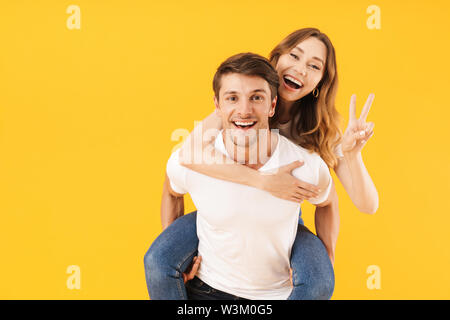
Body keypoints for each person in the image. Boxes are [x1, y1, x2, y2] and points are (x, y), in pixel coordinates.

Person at [144, 27, 378, 300]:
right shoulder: (244, 100)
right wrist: (263, 182)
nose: (301, 69)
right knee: (158, 260)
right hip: (227, 202)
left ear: (321, 82)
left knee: (318, 279)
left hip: (285, 209)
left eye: (314, 66)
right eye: (295, 56)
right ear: (276, 58)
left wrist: (352, 156)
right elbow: (188, 155)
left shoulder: (321, 128)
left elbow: (364, 204)